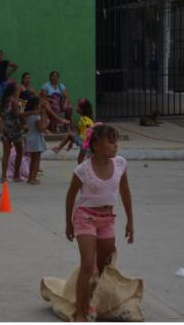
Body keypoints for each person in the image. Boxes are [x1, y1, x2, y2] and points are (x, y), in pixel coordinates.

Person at [64, 123, 133, 322]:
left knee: (104, 266)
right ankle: (79, 312)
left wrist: (130, 221)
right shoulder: (82, 170)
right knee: (87, 265)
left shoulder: (120, 164)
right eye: (110, 141)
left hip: (107, 220)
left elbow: (125, 191)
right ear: (95, 145)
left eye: (116, 141)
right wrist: (69, 223)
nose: (116, 145)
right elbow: (70, 197)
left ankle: (93, 302)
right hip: (85, 218)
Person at [0, 81, 25, 183]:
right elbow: (18, 114)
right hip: (15, 129)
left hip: (5, 128)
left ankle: (3, 176)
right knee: (19, 152)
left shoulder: (4, 101)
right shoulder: (14, 101)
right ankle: (16, 175)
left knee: (6, 153)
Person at [23, 95, 47, 185]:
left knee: (32, 160)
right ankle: (33, 178)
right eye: (39, 104)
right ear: (35, 106)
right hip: (36, 139)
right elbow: (41, 129)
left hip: (30, 137)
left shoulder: (29, 116)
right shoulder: (36, 117)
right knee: (36, 160)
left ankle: (30, 178)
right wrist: (44, 116)